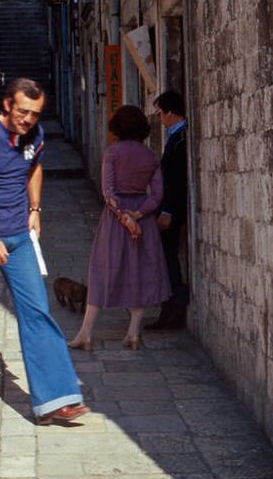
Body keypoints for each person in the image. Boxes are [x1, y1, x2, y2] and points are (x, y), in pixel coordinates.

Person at [0, 77, 88, 425]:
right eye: (23, 111)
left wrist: (35, 209)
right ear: (8, 104)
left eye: (35, 114)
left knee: (38, 312)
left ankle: (54, 400)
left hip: (20, 237)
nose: (28, 119)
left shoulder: (34, 135)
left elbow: (34, 167)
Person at [68, 104, 170, 351]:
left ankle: (85, 332)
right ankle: (133, 332)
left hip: (115, 222)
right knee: (139, 272)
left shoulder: (112, 153)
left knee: (102, 270)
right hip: (142, 218)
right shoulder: (151, 156)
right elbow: (157, 196)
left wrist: (124, 216)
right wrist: (137, 214)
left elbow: (108, 193)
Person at [147, 89, 189, 330]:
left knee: (167, 258)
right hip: (168, 207)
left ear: (171, 112)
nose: (160, 118)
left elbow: (176, 178)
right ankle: (170, 307)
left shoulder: (180, 138)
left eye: (161, 113)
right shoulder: (176, 137)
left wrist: (168, 211)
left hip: (171, 210)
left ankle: (174, 306)